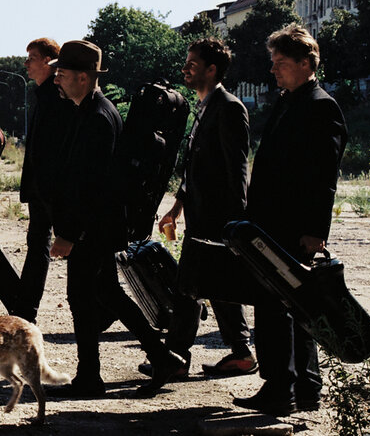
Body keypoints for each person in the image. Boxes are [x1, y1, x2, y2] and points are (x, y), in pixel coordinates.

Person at [45, 40, 184, 399]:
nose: (56, 79)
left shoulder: (98, 118)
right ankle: (150, 359)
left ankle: (94, 375)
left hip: (94, 228)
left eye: (61, 74)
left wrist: (70, 234)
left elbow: (92, 185)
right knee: (104, 294)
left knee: (85, 296)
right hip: (96, 227)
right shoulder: (86, 110)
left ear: (82, 76)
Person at [234, 24, 347, 416]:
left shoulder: (320, 105)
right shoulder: (289, 101)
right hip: (271, 224)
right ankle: (297, 387)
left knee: (285, 307)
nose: (274, 70)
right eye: (273, 63)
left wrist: (316, 231)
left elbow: (324, 177)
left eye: (281, 63)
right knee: (285, 307)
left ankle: (286, 388)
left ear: (305, 63)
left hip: (293, 228)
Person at [147, 37, 257, 380]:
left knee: (189, 288)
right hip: (200, 217)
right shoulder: (205, 107)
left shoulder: (229, 108)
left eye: (192, 64)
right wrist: (176, 208)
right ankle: (239, 353)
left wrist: (234, 225)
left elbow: (236, 170)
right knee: (211, 287)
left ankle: (177, 357)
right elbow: (194, 168)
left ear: (212, 70)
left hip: (218, 220)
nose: (185, 69)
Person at [16, 38, 69, 323]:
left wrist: (47, 188)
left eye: (32, 57)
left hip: (50, 190)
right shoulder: (42, 94)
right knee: (37, 244)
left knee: (54, 245)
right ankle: (26, 310)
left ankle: (27, 310)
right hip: (42, 190)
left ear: (49, 61)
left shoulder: (55, 97)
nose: (26, 64)